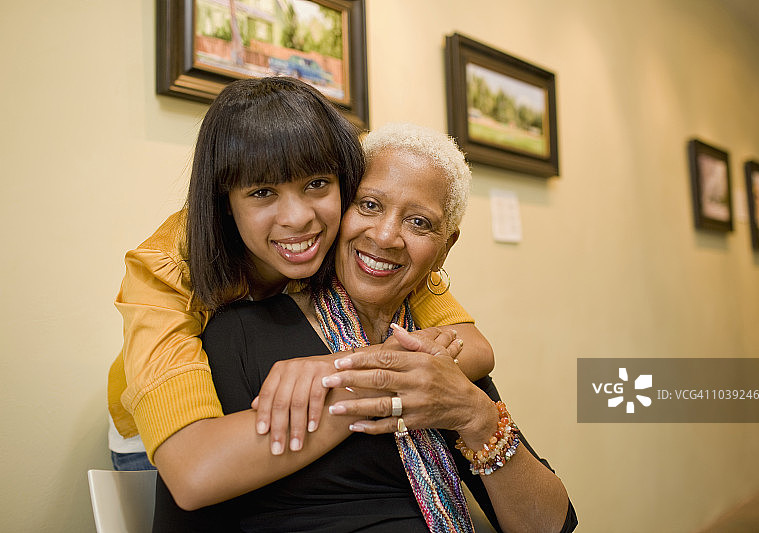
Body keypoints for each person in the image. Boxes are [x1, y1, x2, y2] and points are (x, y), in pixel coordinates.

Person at [153, 123, 577, 532]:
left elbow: (549, 524)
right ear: (339, 212)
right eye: (370, 205)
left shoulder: (440, 354)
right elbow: (190, 503)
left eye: (419, 223)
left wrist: (477, 415)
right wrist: (367, 380)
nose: (387, 235)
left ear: (445, 247)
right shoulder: (240, 334)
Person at [107, 77, 494, 472]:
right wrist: (365, 374)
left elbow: (474, 348)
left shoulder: (355, 237)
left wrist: (337, 367)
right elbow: (191, 466)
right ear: (225, 199)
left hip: (286, 417)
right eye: (262, 192)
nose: (298, 218)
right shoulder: (166, 266)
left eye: (316, 184)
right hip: (160, 437)